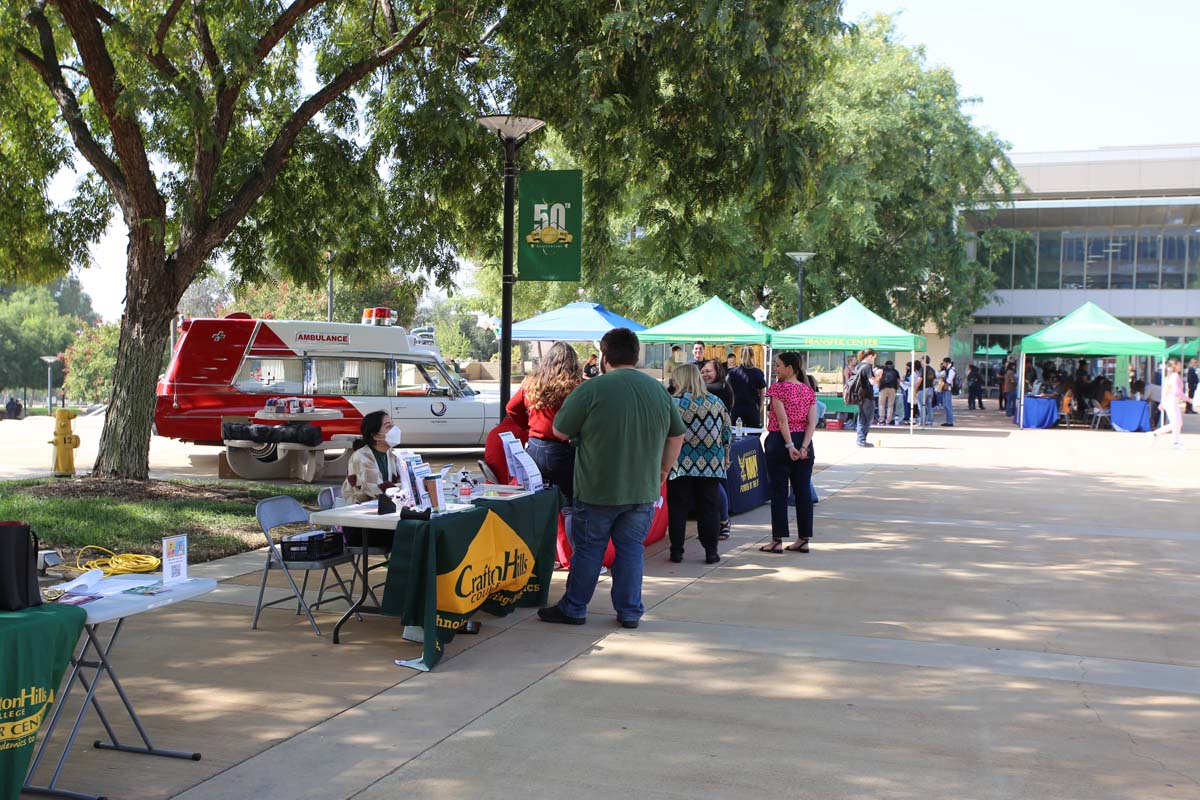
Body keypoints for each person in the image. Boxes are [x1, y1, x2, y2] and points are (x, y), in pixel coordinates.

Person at [538, 327, 685, 629]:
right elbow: (677, 435)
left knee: (589, 550)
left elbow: (560, 431)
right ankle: (630, 611)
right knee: (631, 550)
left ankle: (574, 607)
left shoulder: (592, 389)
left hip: (597, 488)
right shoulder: (658, 390)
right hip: (642, 489)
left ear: (604, 357)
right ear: (636, 355)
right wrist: (663, 470)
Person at [508, 342, 582, 532]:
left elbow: (511, 408)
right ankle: (576, 551)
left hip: (534, 447)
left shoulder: (531, 382)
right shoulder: (575, 387)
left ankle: (537, 547)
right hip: (562, 450)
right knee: (569, 505)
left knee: (538, 502)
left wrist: (528, 426)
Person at [665, 364, 731, 564]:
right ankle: (711, 552)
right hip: (711, 463)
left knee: (678, 508)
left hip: (680, 463)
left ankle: (677, 551)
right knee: (709, 508)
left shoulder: (673, 403)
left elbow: (665, 433)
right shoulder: (716, 402)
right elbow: (726, 432)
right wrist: (726, 455)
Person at [759, 351, 818, 554]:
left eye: (778, 365)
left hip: (780, 442)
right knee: (803, 491)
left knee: (779, 492)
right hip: (803, 441)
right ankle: (804, 538)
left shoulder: (778, 389)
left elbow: (782, 420)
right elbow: (812, 422)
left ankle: (777, 540)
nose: (776, 369)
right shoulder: (808, 391)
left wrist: (790, 445)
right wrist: (803, 447)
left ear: (790, 368)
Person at [340, 410, 404, 547]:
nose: (394, 429)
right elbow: (376, 490)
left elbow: (401, 483)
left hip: (383, 517)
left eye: (393, 425)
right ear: (376, 436)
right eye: (388, 426)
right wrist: (405, 489)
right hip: (360, 525)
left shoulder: (390, 455)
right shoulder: (361, 457)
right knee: (411, 533)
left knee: (418, 529)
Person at [1148, 358, 1188, 449]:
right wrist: (1188, 399)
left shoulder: (1170, 376)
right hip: (1171, 401)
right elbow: (1176, 391)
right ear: (1174, 365)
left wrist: (1163, 402)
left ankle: (1175, 441)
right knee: (1175, 423)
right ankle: (1155, 434)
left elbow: (1166, 391)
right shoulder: (1174, 376)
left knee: (1178, 422)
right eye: (1179, 364)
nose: (1180, 366)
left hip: (1171, 401)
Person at [727, 346, 767, 428]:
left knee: (737, 434)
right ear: (753, 356)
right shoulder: (758, 373)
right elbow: (763, 393)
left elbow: (728, 391)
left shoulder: (733, 372)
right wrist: (759, 408)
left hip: (737, 408)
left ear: (740, 356)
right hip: (752, 408)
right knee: (753, 434)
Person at [849, 349, 878, 446]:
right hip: (867, 396)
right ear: (870, 356)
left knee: (861, 417)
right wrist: (877, 375)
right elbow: (872, 382)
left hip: (860, 396)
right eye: (874, 357)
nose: (874, 360)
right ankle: (861, 440)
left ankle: (860, 439)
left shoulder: (859, 366)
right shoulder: (867, 366)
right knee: (867, 419)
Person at [878, 360, 900, 426]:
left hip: (883, 388)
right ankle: (889, 420)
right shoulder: (895, 371)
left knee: (881, 404)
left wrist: (879, 386)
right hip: (892, 388)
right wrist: (896, 389)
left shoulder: (882, 370)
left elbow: (879, 379)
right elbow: (898, 381)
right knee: (890, 405)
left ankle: (882, 419)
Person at [937, 357, 956, 427]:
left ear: (947, 362)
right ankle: (948, 420)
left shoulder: (951, 369)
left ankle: (950, 421)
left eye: (944, 362)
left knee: (948, 405)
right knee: (945, 405)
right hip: (945, 388)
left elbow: (949, 380)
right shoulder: (947, 369)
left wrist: (943, 378)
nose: (943, 364)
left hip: (948, 389)